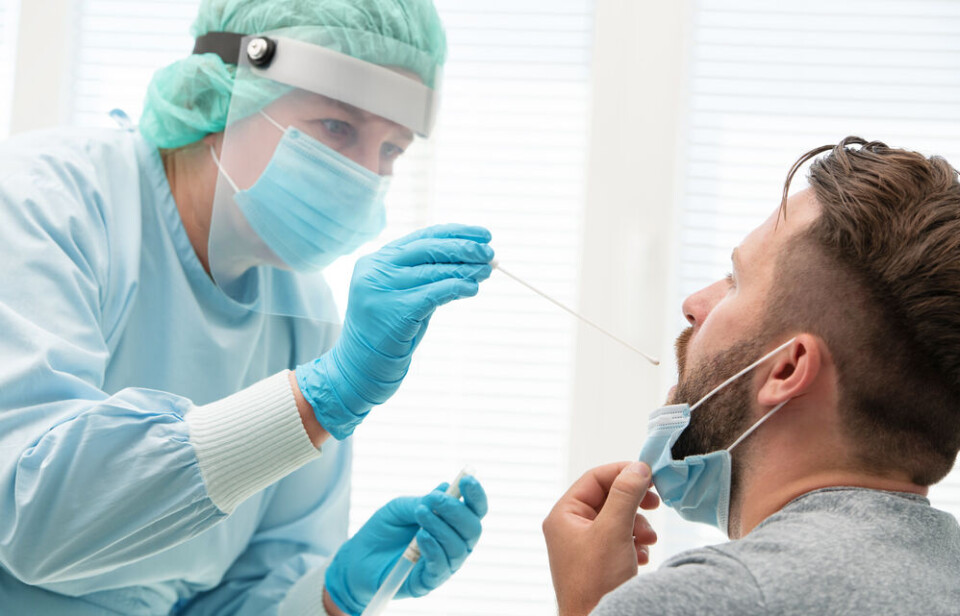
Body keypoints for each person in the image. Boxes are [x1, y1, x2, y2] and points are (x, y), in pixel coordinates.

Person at [0, 1, 491, 614]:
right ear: (229, 87)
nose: (368, 174)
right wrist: (315, 400)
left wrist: (332, 593)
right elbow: (30, 515)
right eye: (338, 127)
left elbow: (234, 601)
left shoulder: (304, 313)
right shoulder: (46, 204)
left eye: (392, 148)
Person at [542, 137, 960, 615]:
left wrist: (589, 606)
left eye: (735, 280)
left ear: (786, 368)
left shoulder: (712, 598)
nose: (694, 305)